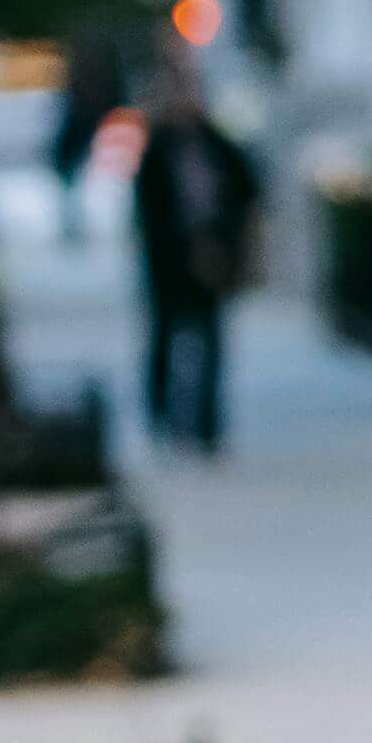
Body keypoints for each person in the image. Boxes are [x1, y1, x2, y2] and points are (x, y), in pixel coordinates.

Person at [129, 53, 257, 455]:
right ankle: (163, 417)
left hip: (214, 259)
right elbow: (148, 214)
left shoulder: (218, 144)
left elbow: (247, 192)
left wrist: (228, 246)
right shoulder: (157, 151)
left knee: (211, 342)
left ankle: (207, 425)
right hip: (171, 263)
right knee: (166, 340)